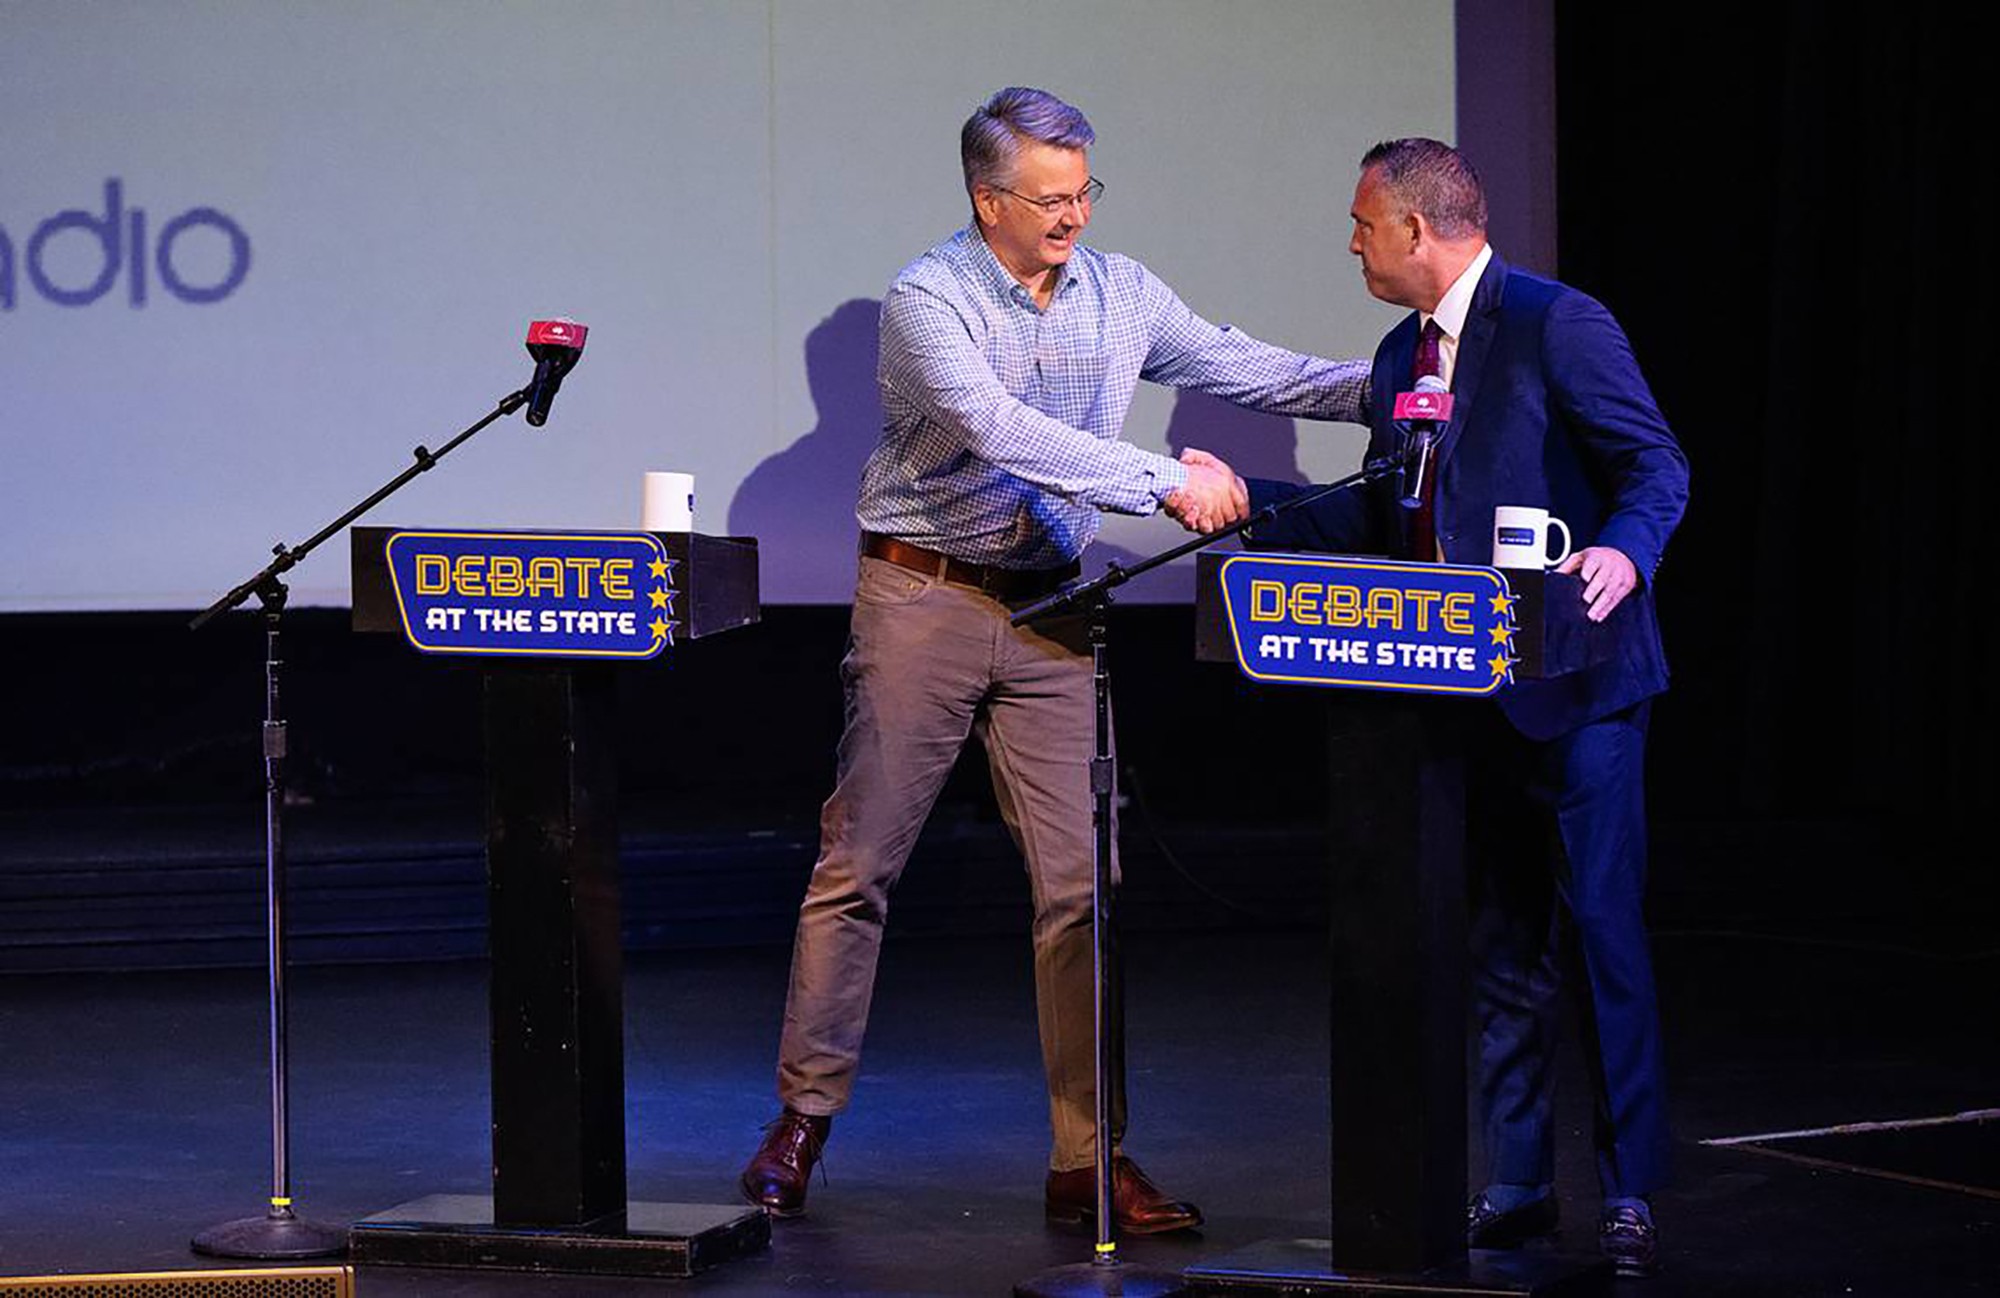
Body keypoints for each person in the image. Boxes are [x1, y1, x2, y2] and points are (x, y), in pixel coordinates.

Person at [739, 86, 1370, 1233]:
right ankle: (802, 1114)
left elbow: (1245, 366)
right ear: (987, 200)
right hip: (924, 596)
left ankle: (1089, 1158)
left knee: (1084, 888)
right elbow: (996, 428)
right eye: (1048, 198)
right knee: (859, 862)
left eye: (1084, 191)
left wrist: (1396, 392)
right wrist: (1160, 478)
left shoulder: (1119, 290)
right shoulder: (928, 298)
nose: (1072, 215)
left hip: (1055, 611)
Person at [1240, 138, 1688, 1277]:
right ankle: (1522, 1181)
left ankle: (1630, 1185)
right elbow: (1387, 519)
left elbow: (1655, 467)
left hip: (1579, 689)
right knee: (1499, 951)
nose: (1349, 243)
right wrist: (1254, 502)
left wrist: (1624, 557)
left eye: (1359, 224)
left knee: (1599, 936)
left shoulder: (1554, 322)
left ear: (1414, 228)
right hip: (1460, 697)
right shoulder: (1402, 353)